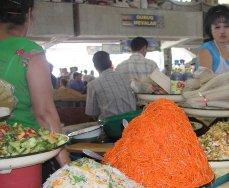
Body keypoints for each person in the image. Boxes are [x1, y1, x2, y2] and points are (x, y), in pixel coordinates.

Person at [0, 0, 69, 167]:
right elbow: (44, 114)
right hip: (25, 156)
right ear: (28, 15)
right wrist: (67, 167)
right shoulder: (30, 53)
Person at [197, 5, 229, 87]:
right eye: (217, 27)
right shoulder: (206, 50)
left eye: (226, 26)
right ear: (210, 29)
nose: (222, 31)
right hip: (213, 98)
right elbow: (205, 83)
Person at [85, 51, 137, 120]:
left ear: (95, 66)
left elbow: (92, 113)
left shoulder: (93, 85)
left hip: (111, 125)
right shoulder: (125, 78)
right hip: (132, 121)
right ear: (110, 63)